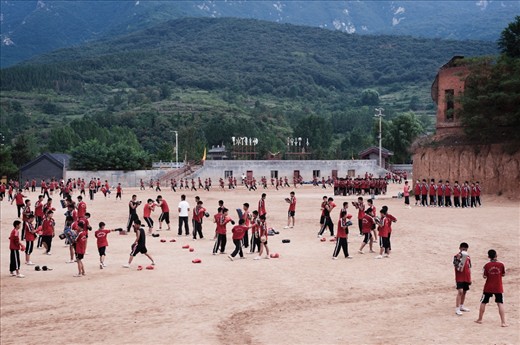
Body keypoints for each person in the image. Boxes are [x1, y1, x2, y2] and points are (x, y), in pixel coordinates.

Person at [475, 249, 507, 327]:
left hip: (488, 286)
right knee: (500, 303)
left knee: (483, 302)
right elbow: (503, 274)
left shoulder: (486, 265)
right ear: (496, 255)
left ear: (489, 257)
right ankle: (503, 322)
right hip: (498, 287)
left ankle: (480, 319)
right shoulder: (501, 264)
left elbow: (484, 276)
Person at [453, 242, 472, 316]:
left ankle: (461, 306)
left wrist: (470, 278)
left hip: (466, 277)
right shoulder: (456, 256)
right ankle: (457, 308)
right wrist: (458, 259)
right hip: (459, 277)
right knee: (460, 291)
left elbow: (469, 268)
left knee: (464, 292)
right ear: (460, 248)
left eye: (465, 249)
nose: (464, 250)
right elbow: (455, 265)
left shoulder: (468, 257)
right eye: (463, 248)